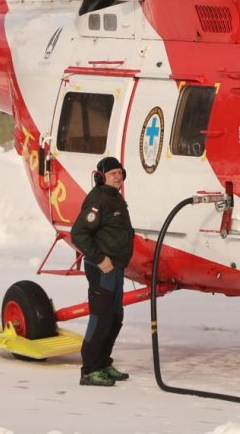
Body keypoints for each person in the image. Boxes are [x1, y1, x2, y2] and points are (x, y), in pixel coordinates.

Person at [71, 156, 135, 387]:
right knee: (101, 317)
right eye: (112, 173)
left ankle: (103, 363)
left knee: (115, 317)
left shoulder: (114, 197)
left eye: (120, 172)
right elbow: (78, 233)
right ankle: (89, 370)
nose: (118, 176)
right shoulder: (97, 200)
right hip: (102, 268)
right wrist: (99, 258)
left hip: (116, 267)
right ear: (101, 177)